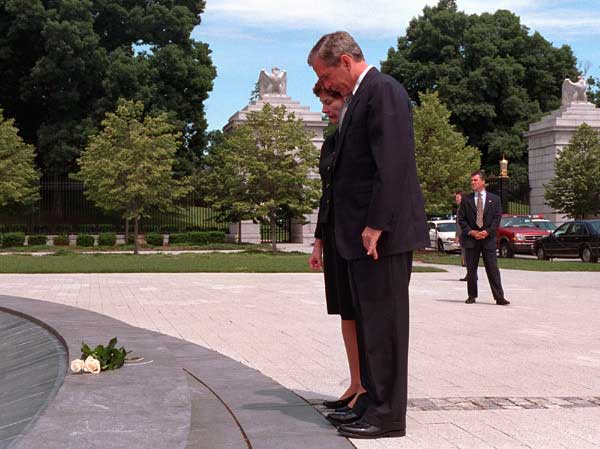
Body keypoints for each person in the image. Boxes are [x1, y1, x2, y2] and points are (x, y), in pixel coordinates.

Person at [307, 31, 429, 439]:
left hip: (384, 236)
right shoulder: (362, 97)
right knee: (372, 326)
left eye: (326, 76)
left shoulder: (383, 91)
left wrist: (376, 224)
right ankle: (370, 404)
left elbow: (391, 164)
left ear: (344, 61)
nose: (326, 87)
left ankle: (388, 415)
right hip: (363, 237)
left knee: (387, 328)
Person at [309, 80, 366, 411]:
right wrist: (318, 242)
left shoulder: (354, 138)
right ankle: (355, 382)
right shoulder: (330, 142)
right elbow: (326, 195)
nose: (325, 108)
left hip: (355, 235)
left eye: (330, 100)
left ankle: (367, 387)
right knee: (345, 312)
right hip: (333, 235)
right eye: (323, 102)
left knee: (360, 313)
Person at [457, 170, 510, 305]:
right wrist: (471, 232)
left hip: (488, 240)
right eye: (471, 180)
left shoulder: (495, 199)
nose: (472, 183)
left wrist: (487, 232)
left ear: (483, 182)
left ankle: (499, 297)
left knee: (492, 268)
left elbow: (497, 218)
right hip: (471, 240)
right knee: (472, 269)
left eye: (475, 180)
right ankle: (472, 296)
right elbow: (461, 219)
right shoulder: (466, 200)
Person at [454, 191, 468, 281]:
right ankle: (470, 273)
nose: (456, 200)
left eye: (457, 198)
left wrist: (457, 235)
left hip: (464, 235)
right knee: (465, 254)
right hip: (464, 234)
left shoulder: (463, 209)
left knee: (466, 255)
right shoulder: (462, 208)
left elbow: (460, 224)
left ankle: (471, 273)